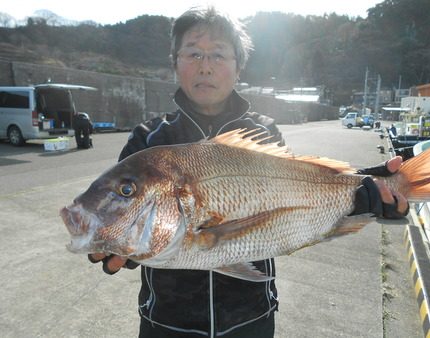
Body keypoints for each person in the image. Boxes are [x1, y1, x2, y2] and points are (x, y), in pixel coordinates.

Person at [88, 6, 409, 337]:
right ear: (175, 63)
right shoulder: (148, 140)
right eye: (193, 53)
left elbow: (301, 194)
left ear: (238, 67)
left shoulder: (264, 133)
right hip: (165, 323)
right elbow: (123, 211)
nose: (205, 66)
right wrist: (119, 241)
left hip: (251, 319)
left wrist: (357, 191)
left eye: (218, 55)